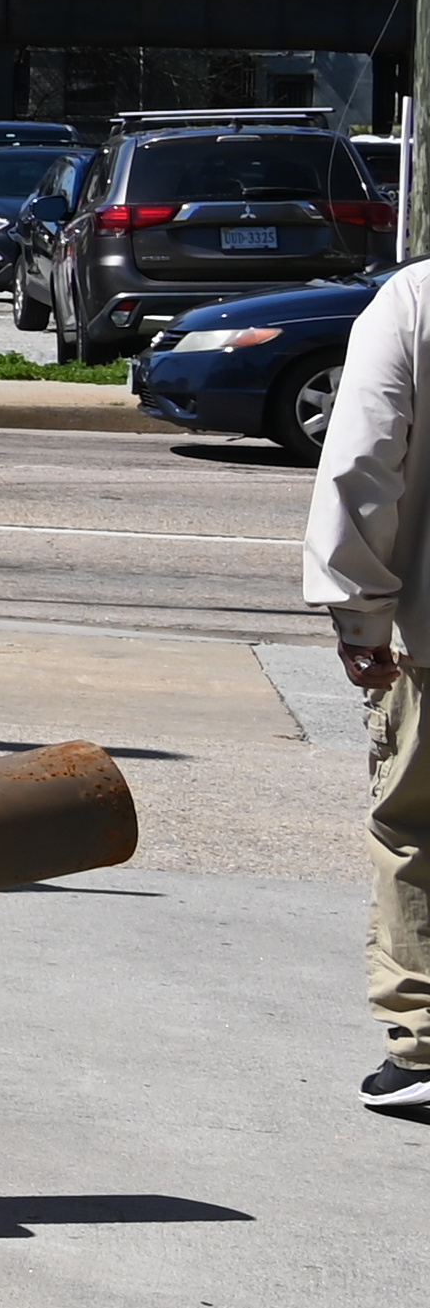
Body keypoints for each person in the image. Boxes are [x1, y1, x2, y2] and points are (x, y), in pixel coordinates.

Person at [286, 255, 430, 1122]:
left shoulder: (414, 299)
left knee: (415, 828)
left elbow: (365, 463)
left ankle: (423, 1047)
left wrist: (360, 616)